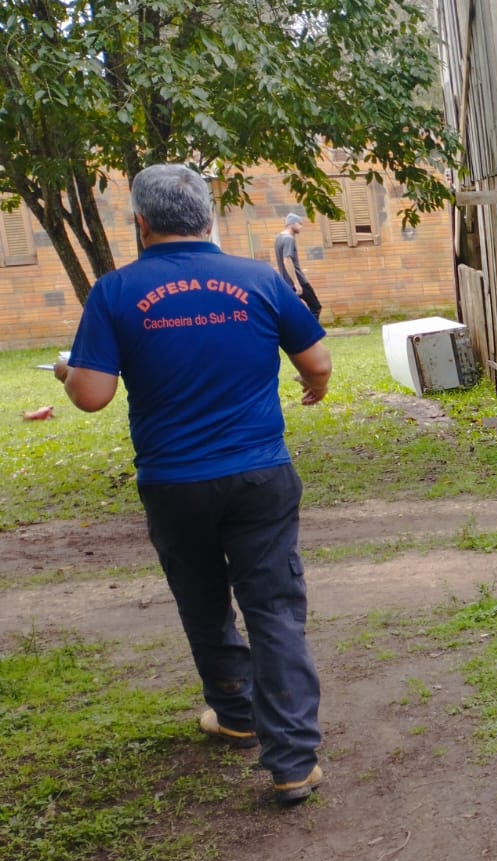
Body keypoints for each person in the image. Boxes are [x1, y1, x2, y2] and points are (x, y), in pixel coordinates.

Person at [56, 164, 332, 805]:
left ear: (141, 223)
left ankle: (235, 713)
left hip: (174, 483)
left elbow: (93, 396)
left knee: (203, 601)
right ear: (209, 217)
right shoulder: (260, 279)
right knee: (274, 609)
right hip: (260, 474)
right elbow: (316, 360)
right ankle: (292, 761)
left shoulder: (115, 292)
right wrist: (315, 387)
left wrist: (70, 372)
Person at [274, 212, 322, 321]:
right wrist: (297, 283)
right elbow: (287, 260)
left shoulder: (279, 238)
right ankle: (311, 335)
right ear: (292, 224)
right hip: (297, 281)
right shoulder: (289, 239)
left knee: (292, 311)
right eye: (299, 224)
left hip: (285, 282)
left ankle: (299, 334)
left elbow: (283, 261)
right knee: (315, 307)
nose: (301, 227)